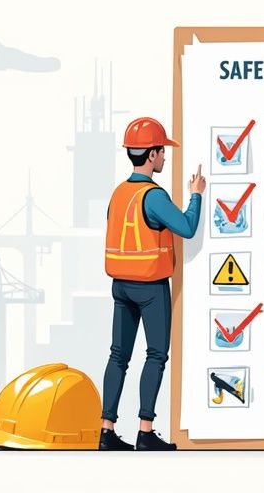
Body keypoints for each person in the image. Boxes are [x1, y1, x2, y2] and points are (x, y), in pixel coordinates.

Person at [99, 116, 205, 451]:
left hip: (120, 284)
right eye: (162, 152)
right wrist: (196, 195)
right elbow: (187, 228)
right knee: (156, 354)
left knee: (118, 355)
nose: (164, 157)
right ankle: (145, 432)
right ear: (151, 154)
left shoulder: (118, 193)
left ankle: (107, 431)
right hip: (150, 286)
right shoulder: (154, 196)